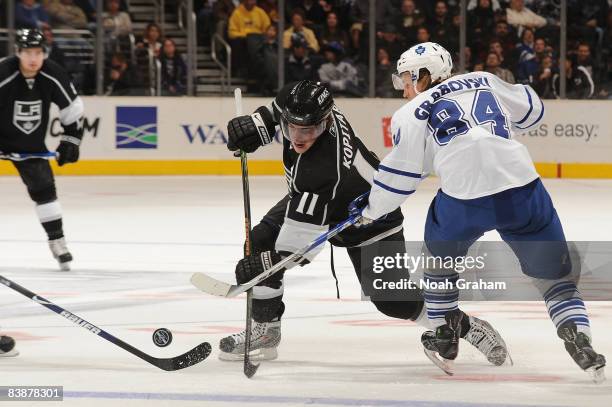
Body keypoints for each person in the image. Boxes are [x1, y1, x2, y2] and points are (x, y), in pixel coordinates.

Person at [351, 42, 606, 381]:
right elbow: (533, 110)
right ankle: (579, 337)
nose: (404, 90)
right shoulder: (484, 79)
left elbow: (401, 178)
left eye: (407, 80)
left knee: (438, 258)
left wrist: (370, 210)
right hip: (523, 189)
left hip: (464, 200)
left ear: (426, 75)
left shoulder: (409, 115)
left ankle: (444, 331)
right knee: (556, 279)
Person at [217, 80, 509, 366]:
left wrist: (270, 265)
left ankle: (467, 326)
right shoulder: (301, 103)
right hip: (321, 202)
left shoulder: (321, 169)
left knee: (392, 301)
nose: (298, 138)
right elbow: (273, 112)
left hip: (372, 220)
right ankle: (266, 332)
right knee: (260, 240)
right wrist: (253, 127)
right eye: (292, 127)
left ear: (327, 121)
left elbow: (297, 248)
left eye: (310, 130)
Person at [0, 29, 83, 271]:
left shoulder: (52, 73)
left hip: (29, 144)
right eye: (27, 53)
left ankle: (58, 242)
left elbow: (73, 108)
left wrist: (71, 140)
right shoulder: (3, 72)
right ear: (17, 52)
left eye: (38, 52)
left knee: (44, 190)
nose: (33, 59)